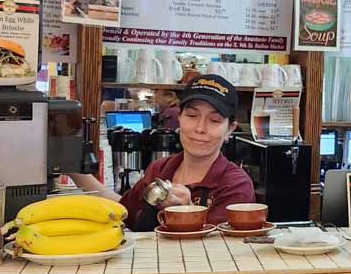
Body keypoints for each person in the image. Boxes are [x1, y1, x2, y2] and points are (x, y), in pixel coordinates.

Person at [73, 74, 255, 230]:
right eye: (192, 116)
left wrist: (189, 211)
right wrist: (73, 170)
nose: (200, 128)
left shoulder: (236, 185)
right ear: (180, 117)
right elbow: (124, 211)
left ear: (230, 129)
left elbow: (222, 252)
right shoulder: (161, 169)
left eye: (214, 120)